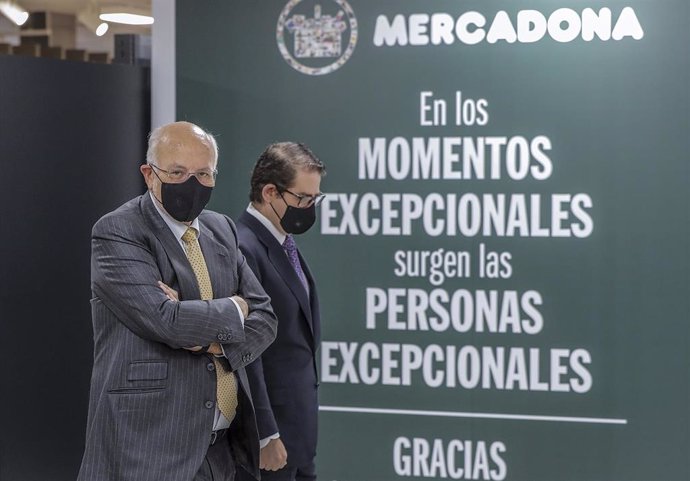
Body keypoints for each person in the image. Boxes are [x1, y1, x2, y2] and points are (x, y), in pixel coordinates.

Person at [77, 121, 278, 481]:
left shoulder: (222, 229)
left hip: (221, 451)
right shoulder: (118, 231)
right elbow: (166, 321)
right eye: (177, 172)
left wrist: (215, 344)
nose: (192, 184)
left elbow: (265, 316)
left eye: (203, 173)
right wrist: (235, 307)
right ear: (149, 174)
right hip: (149, 450)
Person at [235, 142, 325, 481]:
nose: (309, 208)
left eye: (315, 199)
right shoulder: (244, 246)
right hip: (269, 442)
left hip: (298, 436)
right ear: (270, 192)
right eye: (303, 199)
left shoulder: (283, 242)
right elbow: (247, 351)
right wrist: (266, 433)